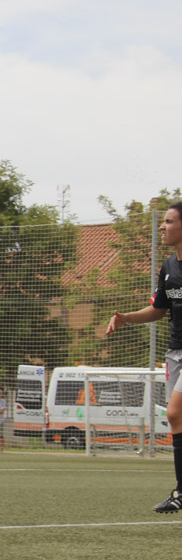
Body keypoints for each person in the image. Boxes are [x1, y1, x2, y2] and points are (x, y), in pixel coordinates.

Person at [106, 200, 182, 513]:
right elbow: (159, 309)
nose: (162, 227)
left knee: (175, 413)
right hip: (175, 353)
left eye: (168, 221)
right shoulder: (169, 267)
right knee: (179, 419)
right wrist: (126, 318)